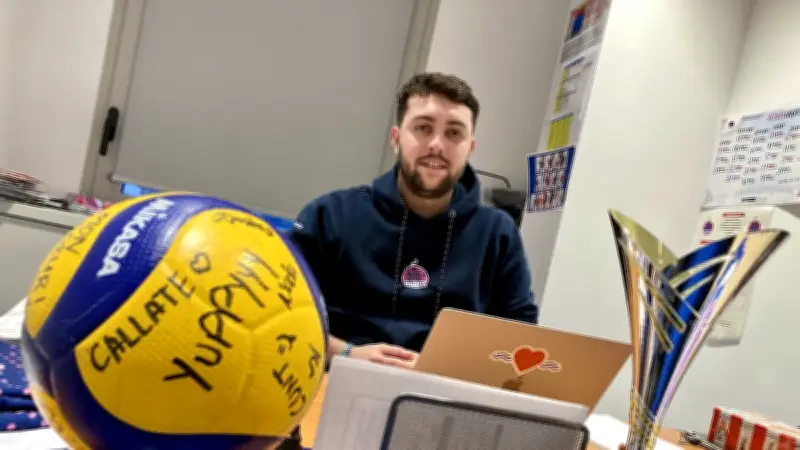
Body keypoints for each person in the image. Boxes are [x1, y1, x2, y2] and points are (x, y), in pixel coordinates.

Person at [291, 72, 538, 369]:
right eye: (423, 128)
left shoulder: (497, 233)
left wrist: (438, 367)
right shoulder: (330, 214)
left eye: (454, 133)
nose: (437, 145)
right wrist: (347, 356)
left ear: (470, 147)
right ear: (396, 138)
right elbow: (283, 316)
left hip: (442, 395)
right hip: (335, 377)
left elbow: (517, 340)